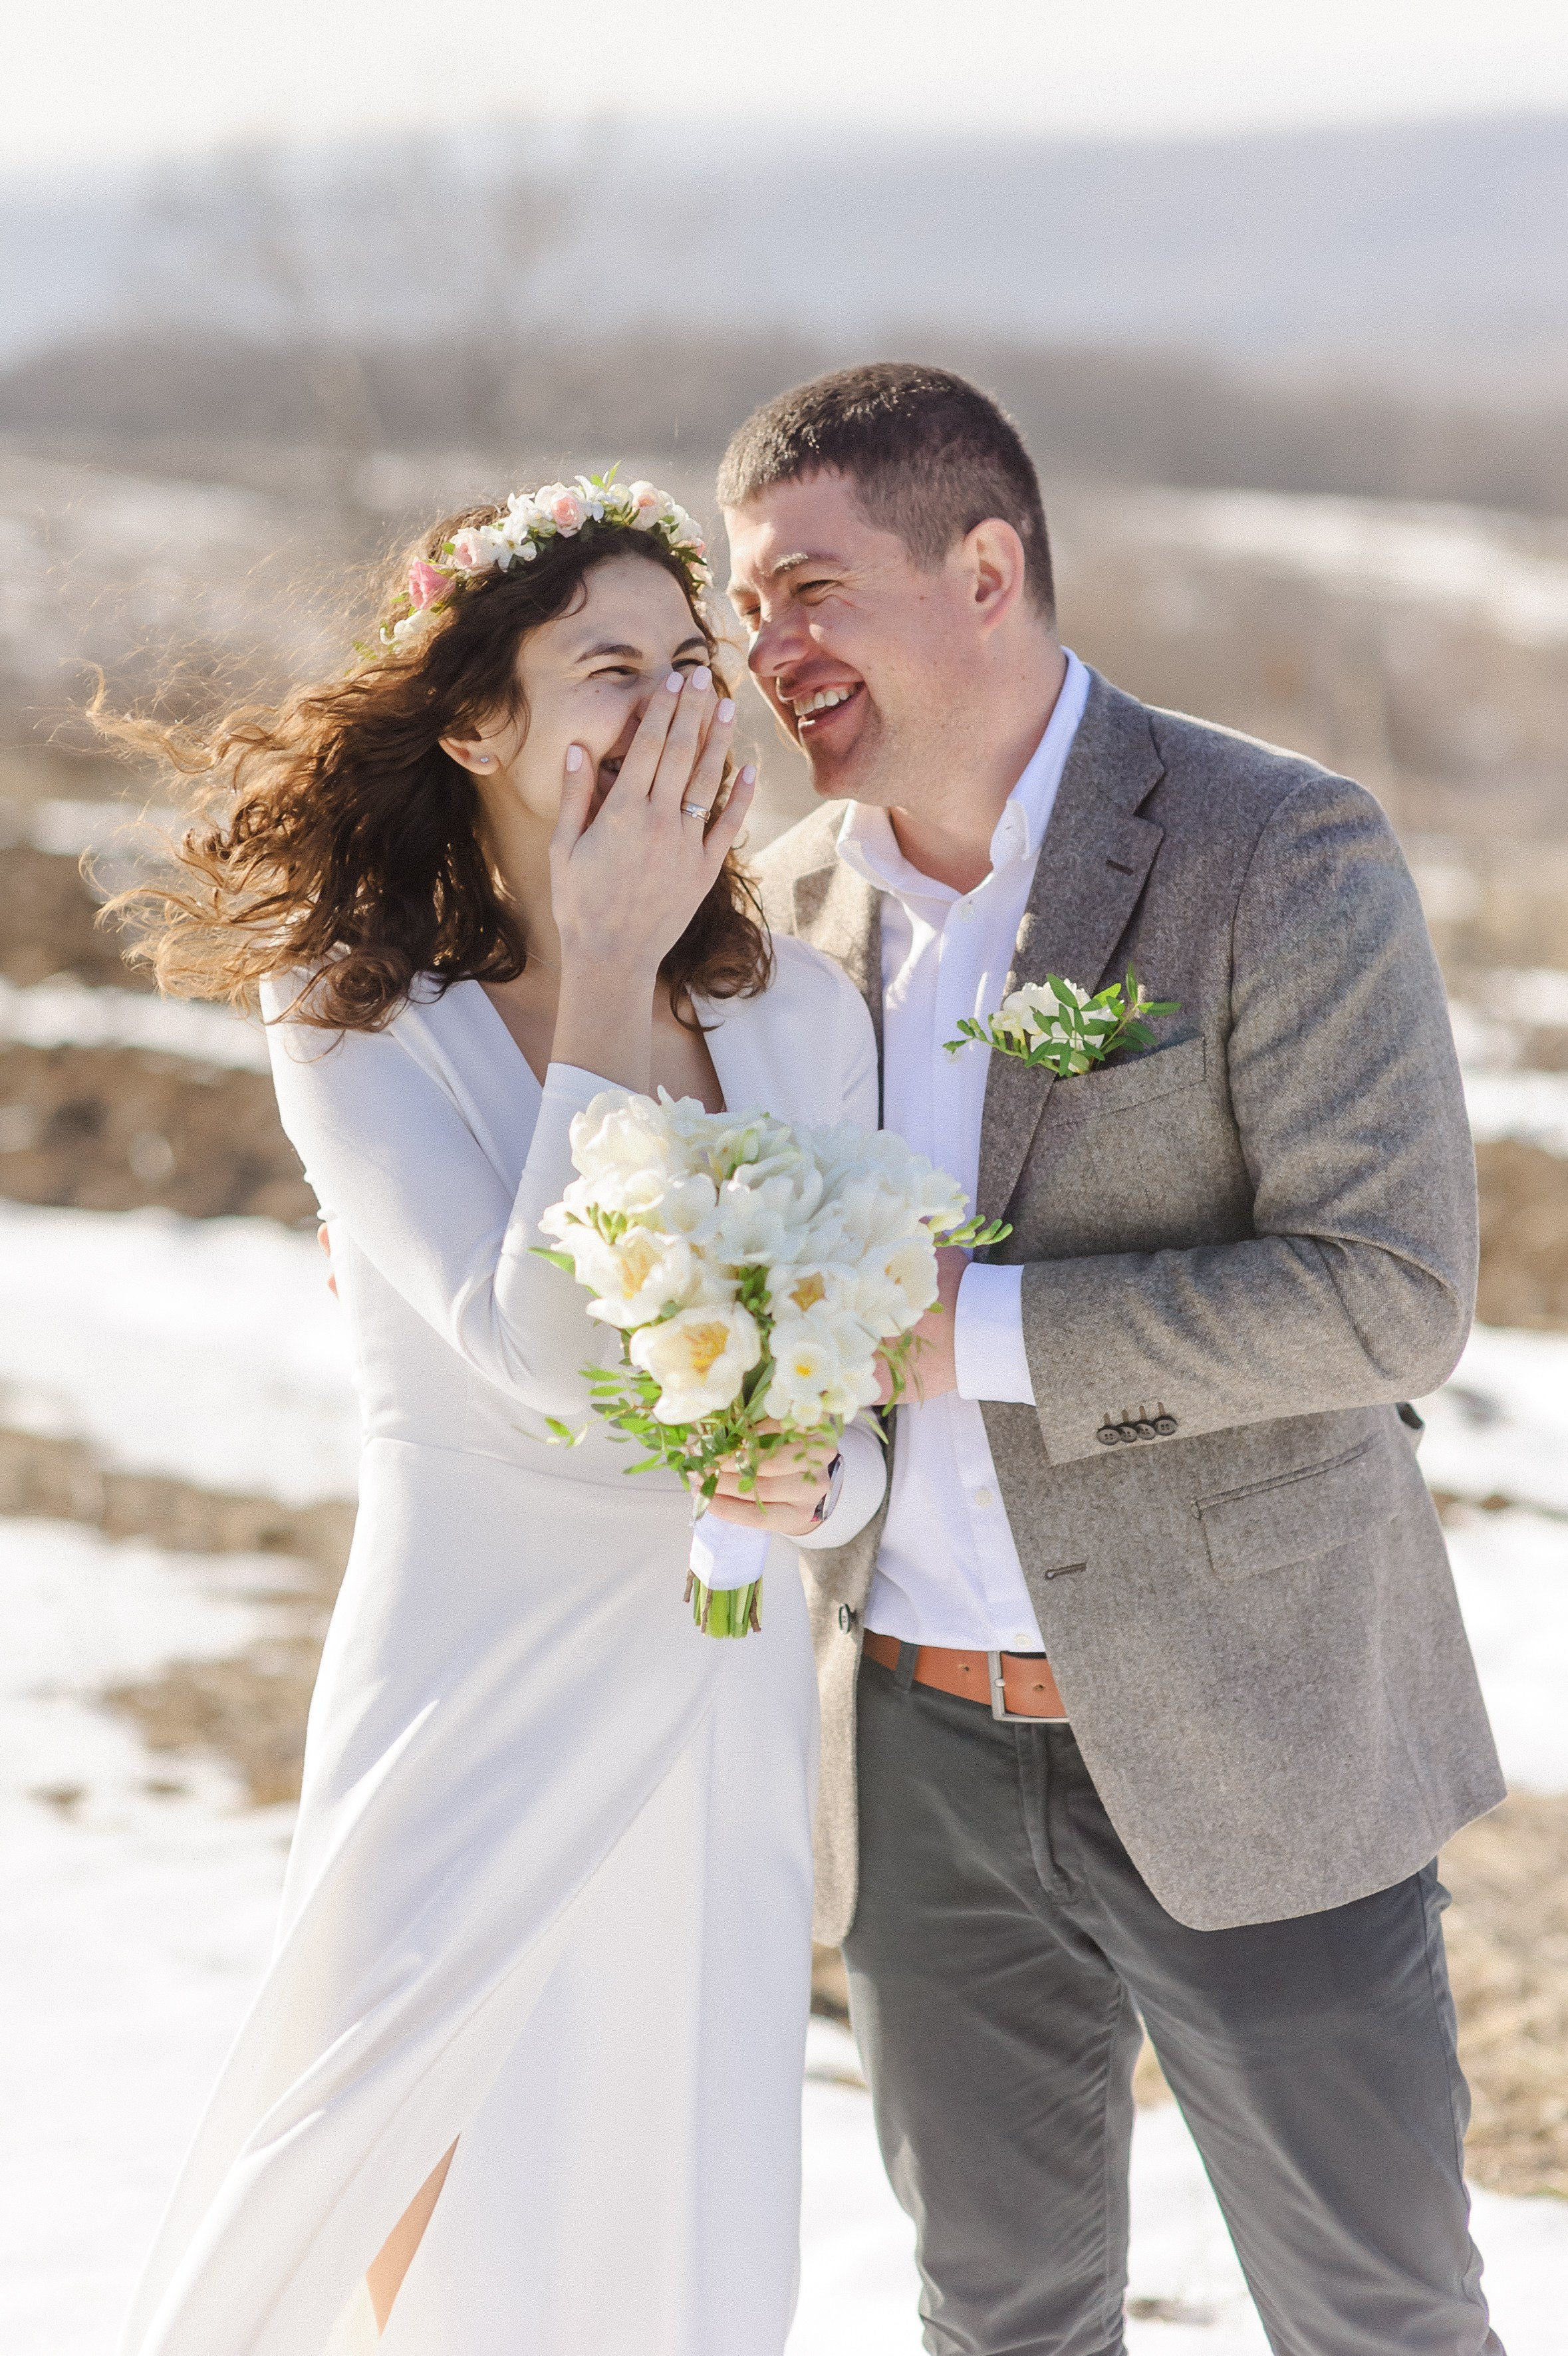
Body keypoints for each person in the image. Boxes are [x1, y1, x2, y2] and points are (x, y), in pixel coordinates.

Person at [724, 364, 1506, 2355]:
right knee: (997, 2321)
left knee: (1380, 2317)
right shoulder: (784, 920)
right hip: (912, 1754)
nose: (768, 646)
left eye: (811, 589)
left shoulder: (1277, 846)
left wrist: (964, 1331)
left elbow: (1388, 1292)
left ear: (985, 570)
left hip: (1258, 1723)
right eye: (749, 604)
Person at [104, 474, 886, 2356]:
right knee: (420, 2197)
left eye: (689, 662)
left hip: (709, 1691)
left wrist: (821, 1480)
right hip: (467, 1682)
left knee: (672, 2227)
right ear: (476, 724)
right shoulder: (354, 1017)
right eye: (610, 668)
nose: (672, 703)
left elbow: (858, 1421)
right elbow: (536, 1355)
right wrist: (605, 961)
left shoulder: (799, 1012)